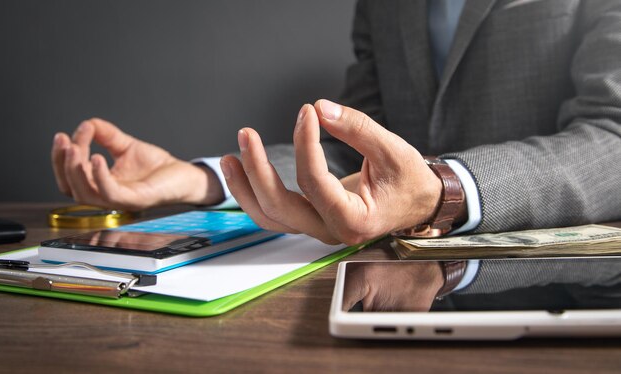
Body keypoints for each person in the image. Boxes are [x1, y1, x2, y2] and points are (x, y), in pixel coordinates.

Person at [51, 1, 621, 248]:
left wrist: (443, 188)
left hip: (555, 284)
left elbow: (613, 136)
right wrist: (202, 179)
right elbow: (350, 155)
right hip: (393, 285)